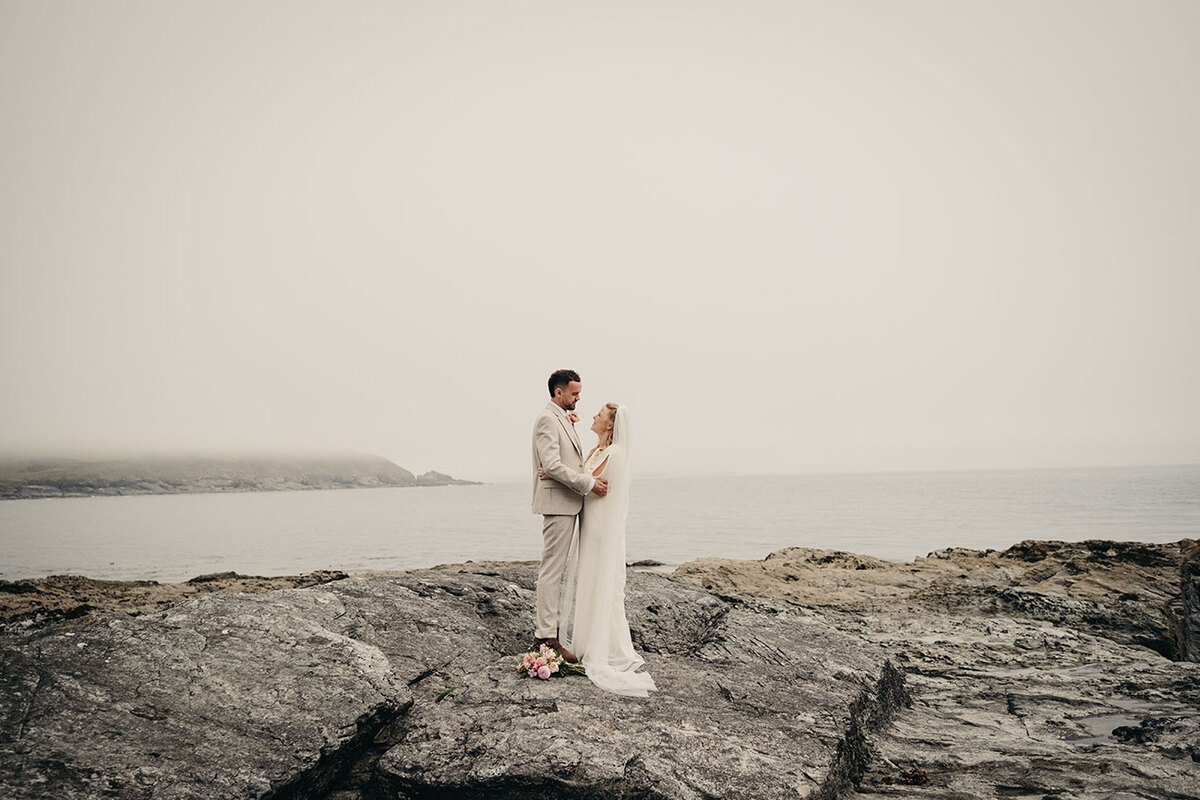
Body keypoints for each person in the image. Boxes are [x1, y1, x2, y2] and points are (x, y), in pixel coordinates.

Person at [542, 403, 657, 697]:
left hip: (602, 530)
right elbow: (582, 477)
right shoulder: (595, 451)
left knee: (602, 583)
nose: (593, 417)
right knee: (588, 582)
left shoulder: (615, 453)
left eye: (600, 416)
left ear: (610, 424)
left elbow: (591, 484)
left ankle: (605, 647)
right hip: (590, 526)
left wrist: (556, 474)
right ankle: (586, 641)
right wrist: (555, 473)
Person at [530, 369, 608, 663]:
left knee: (555, 569)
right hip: (558, 504)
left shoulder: (561, 418)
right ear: (558, 392)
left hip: (567, 502)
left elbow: (562, 460)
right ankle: (545, 636)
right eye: (574, 394)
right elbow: (551, 463)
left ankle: (550, 630)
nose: (578, 398)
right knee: (551, 570)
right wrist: (588, 483)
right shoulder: (547, 419)